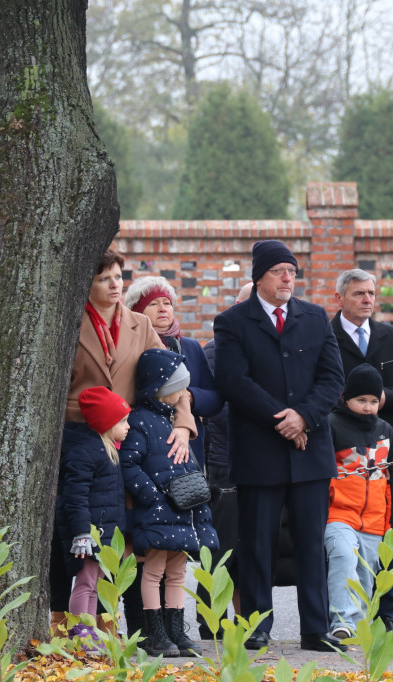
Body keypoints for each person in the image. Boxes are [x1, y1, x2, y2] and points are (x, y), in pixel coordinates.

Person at [50, 249, 198, 637]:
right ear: (88, 283)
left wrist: (183, 425)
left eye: (118, 277)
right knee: (79, 533)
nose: (115, 285)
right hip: (82, 438)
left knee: (129, 536)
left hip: (131, 440)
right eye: (105, 279)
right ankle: (68, 622)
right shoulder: (68, 323)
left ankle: (130, 627)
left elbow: (175, 378)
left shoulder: (140, 325)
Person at [213, 240, 346, 652]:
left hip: (310, 451)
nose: (288, 278)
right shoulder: (232, 322)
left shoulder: (316, 317)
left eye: (292, 270)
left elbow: (333, 379)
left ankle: (316, 629)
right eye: (279, 271)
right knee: (257, 543)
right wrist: (283, 420)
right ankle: (256, 625)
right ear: (259, 277)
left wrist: (303, 417)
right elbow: (234, 382)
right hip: (259, 452)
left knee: (310, 543)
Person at [330, 268, 393, 640]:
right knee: (345, 545)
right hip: (340, 448)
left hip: (383, 448)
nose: (368, 300)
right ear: (341, 298)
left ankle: (386, 615)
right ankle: (342, 618)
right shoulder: (326, 336)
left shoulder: (390, 336)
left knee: (383, 537)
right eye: (359, 294)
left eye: (371, 293)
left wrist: (379, 400)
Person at [121, 348, 219, 657]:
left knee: (178, 572)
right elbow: (129, 464)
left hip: (185, 511)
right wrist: (152, 497)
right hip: (160, 511)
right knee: (152, 571)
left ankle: (176, 630)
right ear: (161, 387)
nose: (183, 392)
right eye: (178, 386)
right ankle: (155, 632)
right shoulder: (141, 422)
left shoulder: (175, 421)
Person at [324, 364, 393, 641]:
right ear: (345, 398)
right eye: (361, 401)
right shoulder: (332, 425)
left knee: (367, 575)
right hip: (339, 514)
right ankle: (342, 621)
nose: (368, 407)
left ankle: (358, 622)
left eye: (374, 401)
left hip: (375, 520)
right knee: (343, 556)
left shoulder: (386, 430)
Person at [196, 282, 253, 638]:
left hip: (259, 463)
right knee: (218, 550)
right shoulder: (213, 352)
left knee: (250, 550)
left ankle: (247, 622)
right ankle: (211, 622)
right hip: (224, 462)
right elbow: (215, 409)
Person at [55, 386, 130, 639]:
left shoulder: (106, 449)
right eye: (122, 420)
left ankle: (91, 633)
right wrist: (81, 533)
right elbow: (75, 496)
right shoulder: (86, 452)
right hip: (90, 533)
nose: (127, 426)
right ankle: (81, 634)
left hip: (103, 532)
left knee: (96, 585)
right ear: (106, 423)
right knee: (85, 584)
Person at [124, 276, 222, 467]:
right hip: (143, 446)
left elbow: (215, 399)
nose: (163, 308)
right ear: (137, 311)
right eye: (153, 303)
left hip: (188, 447)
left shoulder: (191, 346)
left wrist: (190, 396)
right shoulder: (129, 346)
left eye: (167, 303)